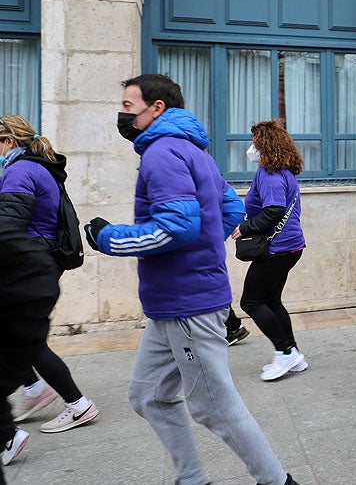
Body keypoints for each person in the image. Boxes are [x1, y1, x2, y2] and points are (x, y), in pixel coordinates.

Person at [84, 74, 298, 485]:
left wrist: (109, 238)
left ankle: (278, 482)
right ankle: (192, 479)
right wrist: (199, 251)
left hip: (188, 304)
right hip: (173, 302)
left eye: (129, 106)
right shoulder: (192, 151)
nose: (122, 114)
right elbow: (232, 213)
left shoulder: (163, 153)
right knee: (148, 396)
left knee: (214, 407)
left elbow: (176, 227)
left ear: (157, 107)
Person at [0, 116, 97, 477]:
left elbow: (8, 222)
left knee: (27, 337)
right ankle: (34, 387)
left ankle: (76, 402)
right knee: (16, 332)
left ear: (8, 141)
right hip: (38, 260)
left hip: (27, 262)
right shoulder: (37, 166)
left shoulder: (20, 171)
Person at [231, 119, 308, 382]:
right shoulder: (283, 171)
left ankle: (284, 352)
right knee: (272, 300)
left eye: (254, 142)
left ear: (264, 144)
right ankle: (294, 353)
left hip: (278, 248)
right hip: (289, 246)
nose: (251, 148)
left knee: (251, 301)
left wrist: (246, 227)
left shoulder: (270, 174)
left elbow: (273, 210)